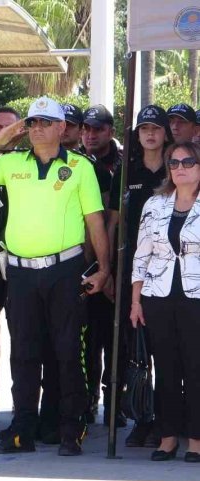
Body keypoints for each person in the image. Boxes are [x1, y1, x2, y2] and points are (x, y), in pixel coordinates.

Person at [0, 97, 109, 457]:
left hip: (65, 270)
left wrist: (103, 269)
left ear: (61, 128)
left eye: (45, 122)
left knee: (68, 350)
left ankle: (72, 427)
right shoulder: (10, 163)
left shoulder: (79, 167)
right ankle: (22, 428)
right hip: (22, 273)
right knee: (23, 354)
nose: (37, 128)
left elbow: (95, 221)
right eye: (32, 123)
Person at [130, 141, 200, 463]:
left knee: (195, 368)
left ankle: (196, 441)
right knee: (166, 369)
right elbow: (140, 255)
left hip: (195, 297)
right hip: (157, 296)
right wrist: (135, 301)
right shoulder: (154, 204)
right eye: (174, 163)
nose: (180, 168)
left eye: (188, 161)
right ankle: (168, 438)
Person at [108, 104, 172, 449]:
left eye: (156, 128)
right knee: (136, 351)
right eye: (144, 128)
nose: (150, 134)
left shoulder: (177, 167)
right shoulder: (125, 170)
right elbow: (114, 222)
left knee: (166, 350)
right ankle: (141, 418)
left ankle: (165, 420)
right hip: (132, 272)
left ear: (166, 134)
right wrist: (108, 270)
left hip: (168, 274)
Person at [81, 104, 125, 427]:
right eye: (86, 129)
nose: (90, 134)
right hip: (83, 267)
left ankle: (114, 405)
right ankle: (87, 402)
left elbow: (112, 221)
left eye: (97, 129)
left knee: (116, 341)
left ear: (110, 131)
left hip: (115, 266)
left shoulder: (123, 164)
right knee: (88, 341)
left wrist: (108, 269)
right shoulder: (76, 163)